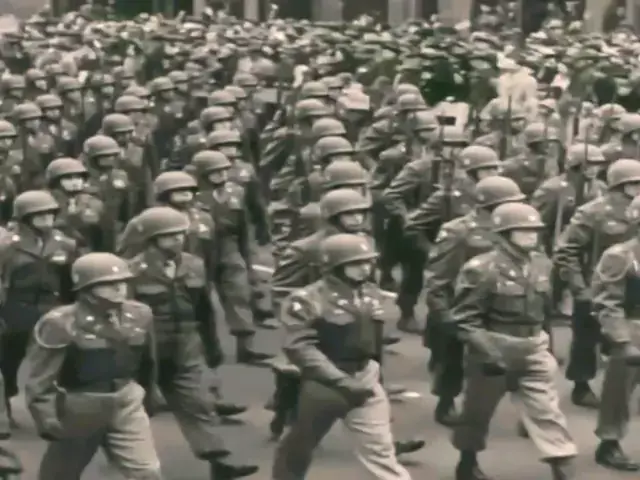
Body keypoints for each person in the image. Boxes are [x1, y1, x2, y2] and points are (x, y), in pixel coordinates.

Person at [448, 202, 577, 480]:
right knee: (477, 412)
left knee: (547, 411)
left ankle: (562, 467)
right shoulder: (481, 269)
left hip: (533, 345)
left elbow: (544, 311)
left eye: (535, 230)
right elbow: (465, 319)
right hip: (494, 344)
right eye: (523, 230)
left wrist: (548, 347)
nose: (532, 235)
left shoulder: (542, 264)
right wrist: (488, 351)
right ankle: (467, 462)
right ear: (505, 234)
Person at [272, 233, 412, 480]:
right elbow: (300, 347)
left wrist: (375, 376)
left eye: (368, 262)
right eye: (355, 263)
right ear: (334, 266)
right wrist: (341, 381)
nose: (365, 268)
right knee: (298, 447)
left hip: (364, 376)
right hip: (322, 384)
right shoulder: (307, 300)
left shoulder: (370, 294)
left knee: (380, 449)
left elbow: (374, 342)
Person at [24, 252, 163, 480]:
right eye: (107, 284)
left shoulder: (139, 314)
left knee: (147, 472)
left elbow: (148, 362)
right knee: (59, 475)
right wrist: (46, 417)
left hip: (126, 400)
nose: (119, 288)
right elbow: (41, 377)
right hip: (80, 406)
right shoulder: (61, 322)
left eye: (122, 281)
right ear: (86, 289)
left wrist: (151, 395)